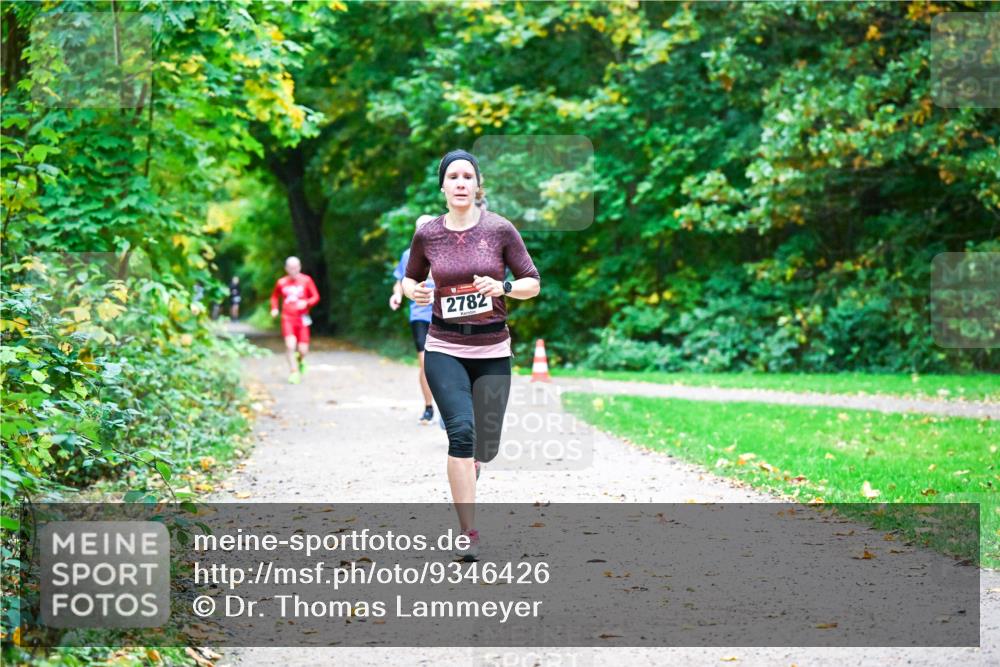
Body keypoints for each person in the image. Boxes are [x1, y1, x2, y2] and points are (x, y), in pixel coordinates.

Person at [402, 149, 541, 561]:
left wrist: (505, 289)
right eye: (453, 177)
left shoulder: (500, 230)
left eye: (468, 177)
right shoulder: (428, 234)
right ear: (443, 186)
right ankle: (468, 532)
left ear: (477, 185)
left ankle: (474, 465)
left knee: (486, 445)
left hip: (493, 347)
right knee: (460, 432)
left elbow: (533, 282)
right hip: (444, 344)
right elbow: (409, 280)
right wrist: (418, 291)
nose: (461, 183)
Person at [390, 215, 437, 424]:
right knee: (426, 364)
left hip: (446, 314)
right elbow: (400, 281)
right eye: (421, 229)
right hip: (420, 315)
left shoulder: (449, 251)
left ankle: (450, 407)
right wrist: (397, 295)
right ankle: (428, 407)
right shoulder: (409, 255)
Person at [270, 256, 320, 384]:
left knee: (303, 350)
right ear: (286, 269)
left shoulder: (306, 280)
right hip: (287, 318)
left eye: (296, 267)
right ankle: (293, 372)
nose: (294, 270)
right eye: (291, 268)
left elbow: (316, 297)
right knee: (290, 345)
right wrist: (275, 308)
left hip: (302, 319)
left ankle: (301, 360)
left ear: (300, 267)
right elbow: (274, 297)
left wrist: (306, 303)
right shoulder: (281, 282)